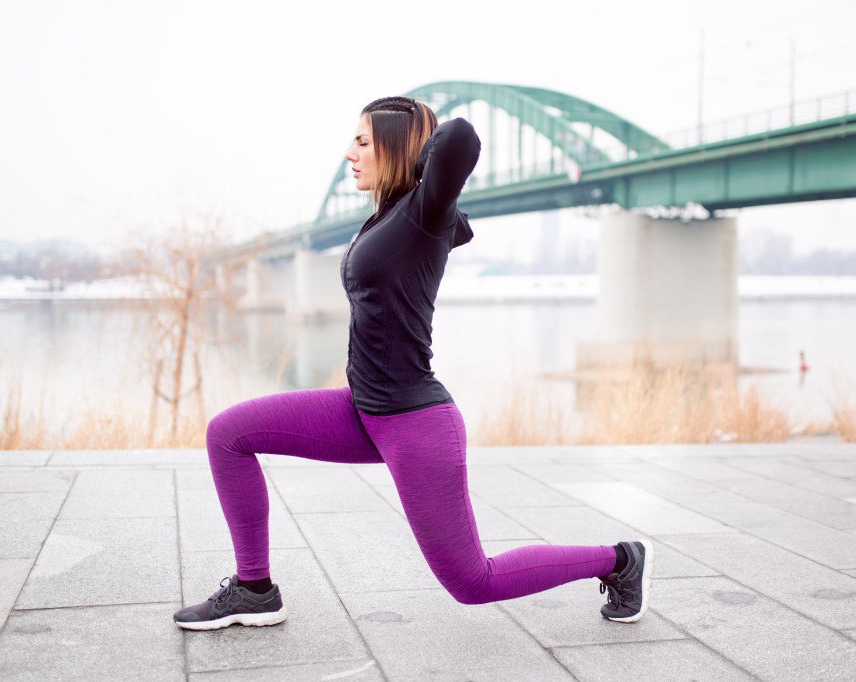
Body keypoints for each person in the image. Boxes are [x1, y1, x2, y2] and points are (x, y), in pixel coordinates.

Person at [173, 96, 655, 631]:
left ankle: (620, 560)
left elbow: (462, 135)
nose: (350, 154)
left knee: (474, 583)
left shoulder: (426, 211)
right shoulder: (390, 215)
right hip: (361, 412)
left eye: (362, 141)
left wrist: (421, 158)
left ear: (397, 147)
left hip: (414, 423)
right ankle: (254, 589)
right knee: (229, 434)